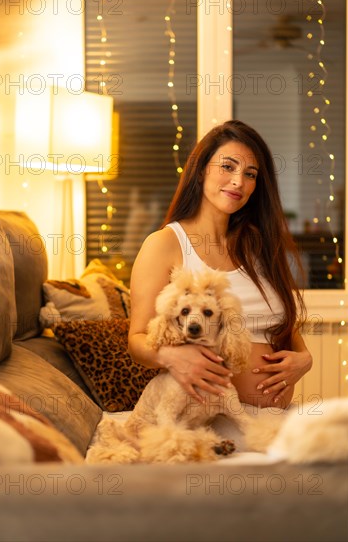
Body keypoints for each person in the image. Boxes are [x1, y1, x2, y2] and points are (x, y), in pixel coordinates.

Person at [128, 120, 313, 409]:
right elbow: (137, 340)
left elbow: (280, 322)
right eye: (228, 167)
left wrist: (304, 358)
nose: (239, 181)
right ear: (202, 170)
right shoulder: (165, 244)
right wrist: (172, 356)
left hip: (272, 417)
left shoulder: (256, 244)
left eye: (250, 174)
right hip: (209, 417)